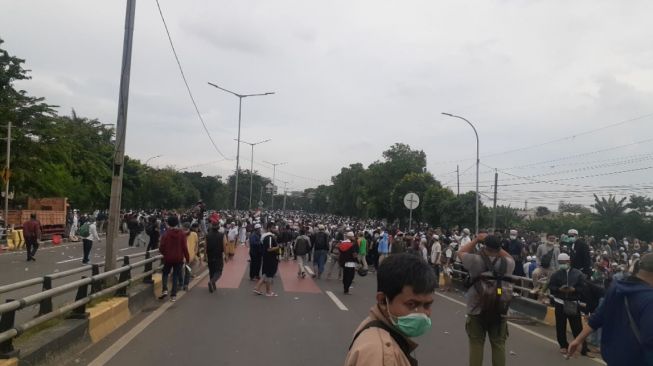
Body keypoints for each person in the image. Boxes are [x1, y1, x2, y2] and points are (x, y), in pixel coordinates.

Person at [344, 253, 436, 366]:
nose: (422, 314)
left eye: (427, 305)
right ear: (382, 301)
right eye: (411, 304)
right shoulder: (383, 355)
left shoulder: (374, 325)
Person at [568, 253, 653, 365]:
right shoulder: (649, 299)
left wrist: (578, 340)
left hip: (614, 357)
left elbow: (598, 317)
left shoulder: (617, 287)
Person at [458, 233, 515, 366]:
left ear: (484, 246)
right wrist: (496, 244)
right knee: (498, 345)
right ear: (499, 247)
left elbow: (460, 251)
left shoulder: (474, 260)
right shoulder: (508, 263)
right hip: (500, 310)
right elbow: (510, 257)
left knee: (476, 344)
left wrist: (477, 239)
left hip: (476, 309)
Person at [548, 253, 589, 356]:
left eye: (564, 262)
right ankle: (563, 345)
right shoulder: (556, 274)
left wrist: (574, 289)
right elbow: (551, 286)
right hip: (560, 302)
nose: (562, 264)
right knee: (560, 326)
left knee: (577, 327)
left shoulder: (578, 274)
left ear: (569, 261)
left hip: (573, 303)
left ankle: (582, 347)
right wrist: (559, 289)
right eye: (560, 263)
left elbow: (583, 287)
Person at [158, 216, 190, 302]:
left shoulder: (166, 234)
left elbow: (161, 247)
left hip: (168, 258)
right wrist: (187, 258)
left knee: (165, 273)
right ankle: (173, 295)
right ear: (177, 223)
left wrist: (165, 254)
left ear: (168, 223)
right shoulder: (182, 234)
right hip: (179, 259)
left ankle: (165, 289)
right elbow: (185, 248)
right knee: (175, 276)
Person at [253, 223, 280, 297]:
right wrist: (278, 247)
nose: (275, 229)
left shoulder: (266, 236)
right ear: (269, 228)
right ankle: (268, 292)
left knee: (265, 274)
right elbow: (269, 249)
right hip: (270, 258)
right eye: (273, 228)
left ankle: (257, 287)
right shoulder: (269, 237)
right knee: (269, 275)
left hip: (266, 258)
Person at [205, 222, 226, 293]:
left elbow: (205, 246)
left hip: (210, 255)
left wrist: (205, 256)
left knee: (211, 270)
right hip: (218, 255)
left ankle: (213, 284)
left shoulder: (207, 235)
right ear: (218, 227)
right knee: (219, 271)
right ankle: (212, 282)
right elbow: (224, 246)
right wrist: (226, 255)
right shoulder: (222, 235)